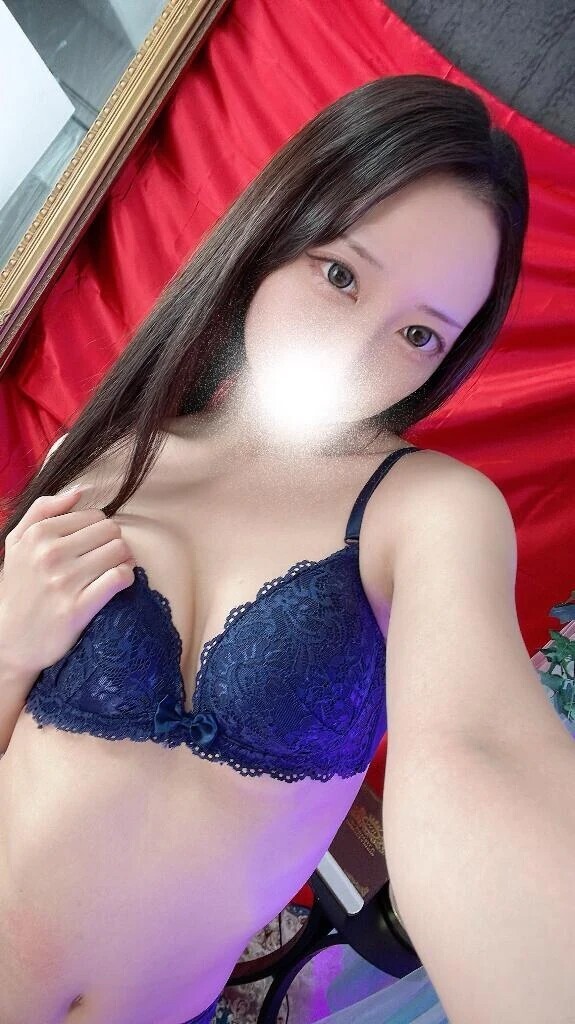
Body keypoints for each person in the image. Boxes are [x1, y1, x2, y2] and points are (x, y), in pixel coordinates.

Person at [0, 74, 571, 1024]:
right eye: (339, 275)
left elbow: (482, 750)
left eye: (418, 333)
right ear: (271, 238)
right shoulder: (94, 458)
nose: (354, 349)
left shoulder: (428, 513)